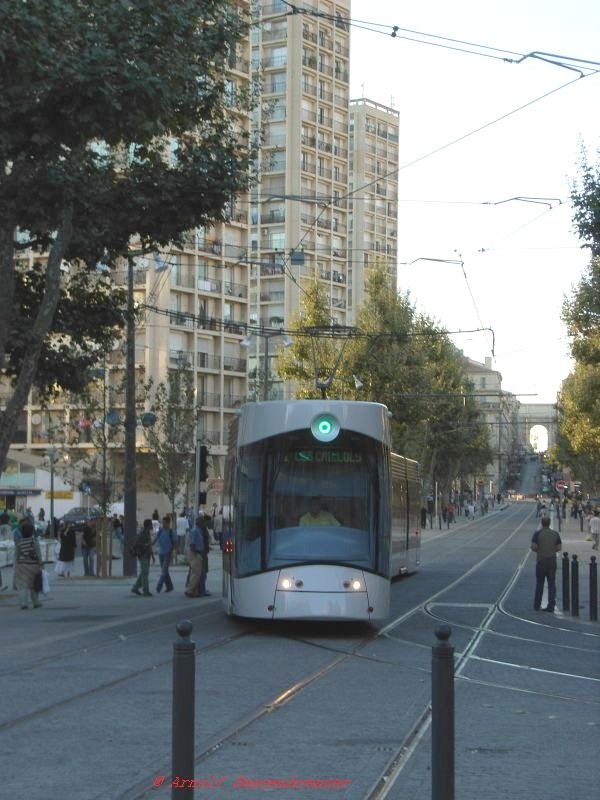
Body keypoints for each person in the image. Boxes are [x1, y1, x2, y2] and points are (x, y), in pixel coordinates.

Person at [530, 516, 562, 612]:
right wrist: (551, 550)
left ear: (542, 523)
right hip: (552, 561)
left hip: (541, 561)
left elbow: (534, 547)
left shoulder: (537, 534)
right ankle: (551, 605)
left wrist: (540, 550)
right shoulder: (555, 534)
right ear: (549, 523)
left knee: (540, 583)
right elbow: (559, 547)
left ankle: (537, 605)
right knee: (551, 584)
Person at [14, 521, 43, 609]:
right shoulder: (34, 541)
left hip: (22, 566)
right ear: (32, 532)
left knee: (23, 585)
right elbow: (38, 554)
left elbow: (16, 555)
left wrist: (16, 566)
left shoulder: (19, 542)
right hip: (34, 566)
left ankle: (24, 603)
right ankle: (36, 602)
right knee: (34, 584)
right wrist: (41, 564)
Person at [185, 515, 211, 598]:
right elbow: (192, 544)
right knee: (196, 573)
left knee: (197, 573)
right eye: (202, 522)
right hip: (196, 553)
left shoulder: (199, 530)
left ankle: (195, 591)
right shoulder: (195, 531)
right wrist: (197, 553)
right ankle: (189, 590)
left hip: (199, 553)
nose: (203, 524)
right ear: (199, 523)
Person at [131, 519, 154, 596]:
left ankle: (135, 587)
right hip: (142, 555)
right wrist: (145, 545)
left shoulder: (147, 533)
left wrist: (152, 556)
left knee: (144, 573)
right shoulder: (141, 534)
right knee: (145, 573)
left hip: (147, 556)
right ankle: (146, 591)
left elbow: (150, 545)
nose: (152, 526)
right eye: (151, 524)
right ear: (148, 525)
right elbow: (137, 544)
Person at [154, 515, 176, 593]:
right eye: (162, 523)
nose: (163, 524)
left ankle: (159, 586)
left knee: (163, 571)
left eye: (164, 523)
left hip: (167, 553)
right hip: (161, 553)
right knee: (165, 570)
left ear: (168, 523)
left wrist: (172, 552)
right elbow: (155, 539)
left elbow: (174, 543)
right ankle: (169, 586)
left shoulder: (171, 532)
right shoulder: (160, 531)